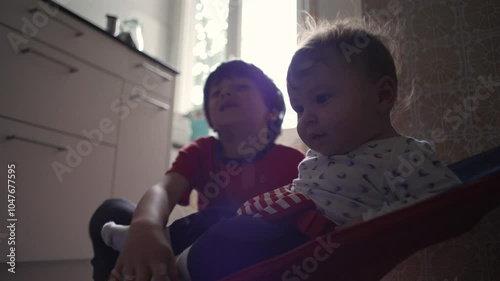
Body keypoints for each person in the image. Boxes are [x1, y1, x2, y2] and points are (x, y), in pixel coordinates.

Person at [103, 18, 463, 281]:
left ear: (381, 95)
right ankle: (156, 241)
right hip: (265, 220)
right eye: (301, 108)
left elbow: (440, 206)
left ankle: (175, 268)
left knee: (228, 239)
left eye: (321, 99)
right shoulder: (319, 158)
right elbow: (165, 190)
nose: (307, 118)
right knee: (212, 220)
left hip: (303, 240)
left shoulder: (405, 156)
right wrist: (146, 228)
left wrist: (369, 226)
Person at [89, 60, 305, 281]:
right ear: (211, 119)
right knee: (112, 211)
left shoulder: (296, 162)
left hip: (253, 262)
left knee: (232, 215)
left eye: (241, 87)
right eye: (216, 92)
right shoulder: (200, 151)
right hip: (195, 247)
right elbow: (164, 190)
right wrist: (146, 227)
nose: (225, 93)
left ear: (272, 111)